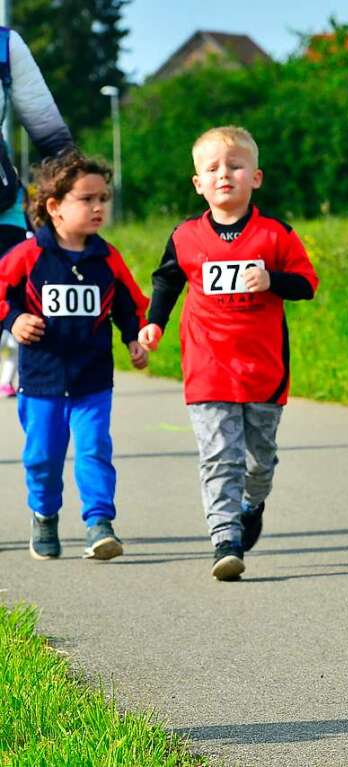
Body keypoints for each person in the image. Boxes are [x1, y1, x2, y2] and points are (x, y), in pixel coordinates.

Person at [138, 126, 318, 582]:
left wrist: (272, 280)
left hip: (263, 369)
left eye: (235, 166)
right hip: (207, 366)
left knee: (259, 461)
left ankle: (251, 504)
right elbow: (167, 280)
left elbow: (307, 284)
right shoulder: (185, 236)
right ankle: (225, 539)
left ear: (255, 177)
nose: (225, 175)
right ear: (197, 182)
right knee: (220, 456)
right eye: (213, 168)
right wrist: (155, 321)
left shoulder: (276, 235)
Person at [0, 148, 149, 560]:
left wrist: (135, 338)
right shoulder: (29, 256)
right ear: (54, 207)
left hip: (92, 380)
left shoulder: (108, 257)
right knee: (43, 457)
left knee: (94, 449)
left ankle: (98, 523)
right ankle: (44, 515)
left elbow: (129, 304)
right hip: (41, 380)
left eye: (103, 199)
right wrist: (13, 320)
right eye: (87, 199)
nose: (98, 207)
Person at [0, 25, 75, 397]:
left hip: (3, 208)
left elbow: (50, 134)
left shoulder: (4, 45)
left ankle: (44, 431)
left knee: (17, 303)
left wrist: (78, 190)